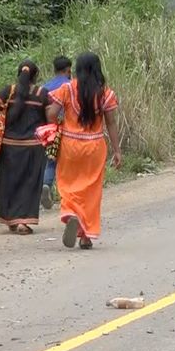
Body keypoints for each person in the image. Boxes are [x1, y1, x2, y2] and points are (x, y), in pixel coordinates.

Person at [47, 52, 122, 249]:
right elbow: (111, 123)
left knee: (68, 183)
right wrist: (117, 151)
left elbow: (52, 113)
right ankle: (85, 235)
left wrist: (57, 126)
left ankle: (70, 213)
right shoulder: (105, 93)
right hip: (94, 146)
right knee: (91, 190)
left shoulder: (67, 89)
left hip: (70, 145)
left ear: (77, 69)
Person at [0, 60, 51, 235]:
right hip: (33, 146)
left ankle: (11, 220)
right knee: (30, 183)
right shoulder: (41, 93)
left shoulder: (9, 91)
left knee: (9, 182)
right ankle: (23, 222)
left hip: (9, 146)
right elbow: (51, 115)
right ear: (35, 75)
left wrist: (0, 120)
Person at [40, 56, 72, 210]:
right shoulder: (71, 86)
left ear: (54, 70)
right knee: (68, 163)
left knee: (50, 160)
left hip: (50, 129)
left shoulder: (45, 88)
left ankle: (46, 185)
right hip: (69, 129)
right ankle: (67, 196)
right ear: (68, 70)